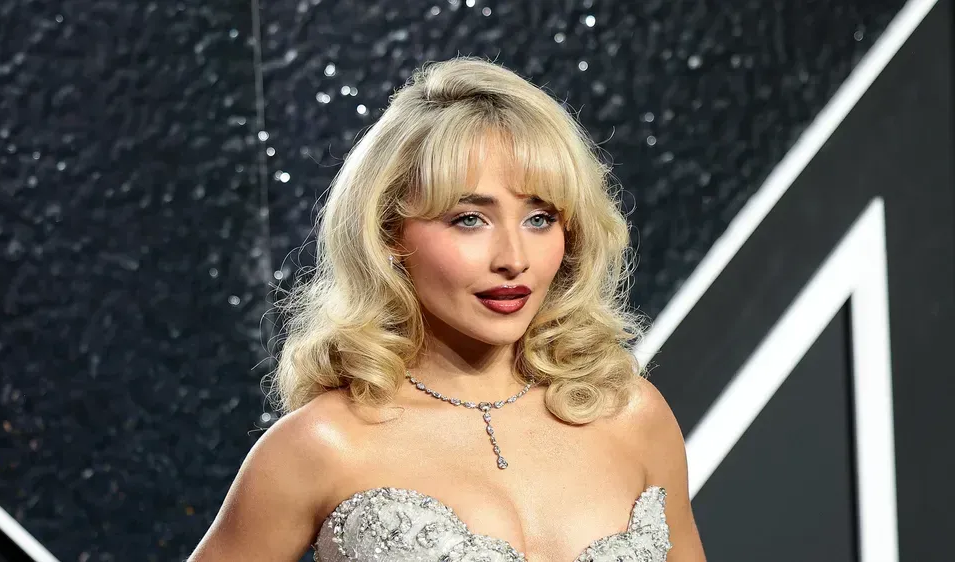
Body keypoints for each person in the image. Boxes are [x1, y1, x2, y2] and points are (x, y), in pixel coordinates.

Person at [187, 56, 707, 562]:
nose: (514, 259)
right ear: (389, 234)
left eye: (540, 218)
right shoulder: (322, 445)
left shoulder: (631, 415)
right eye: (469, 219)